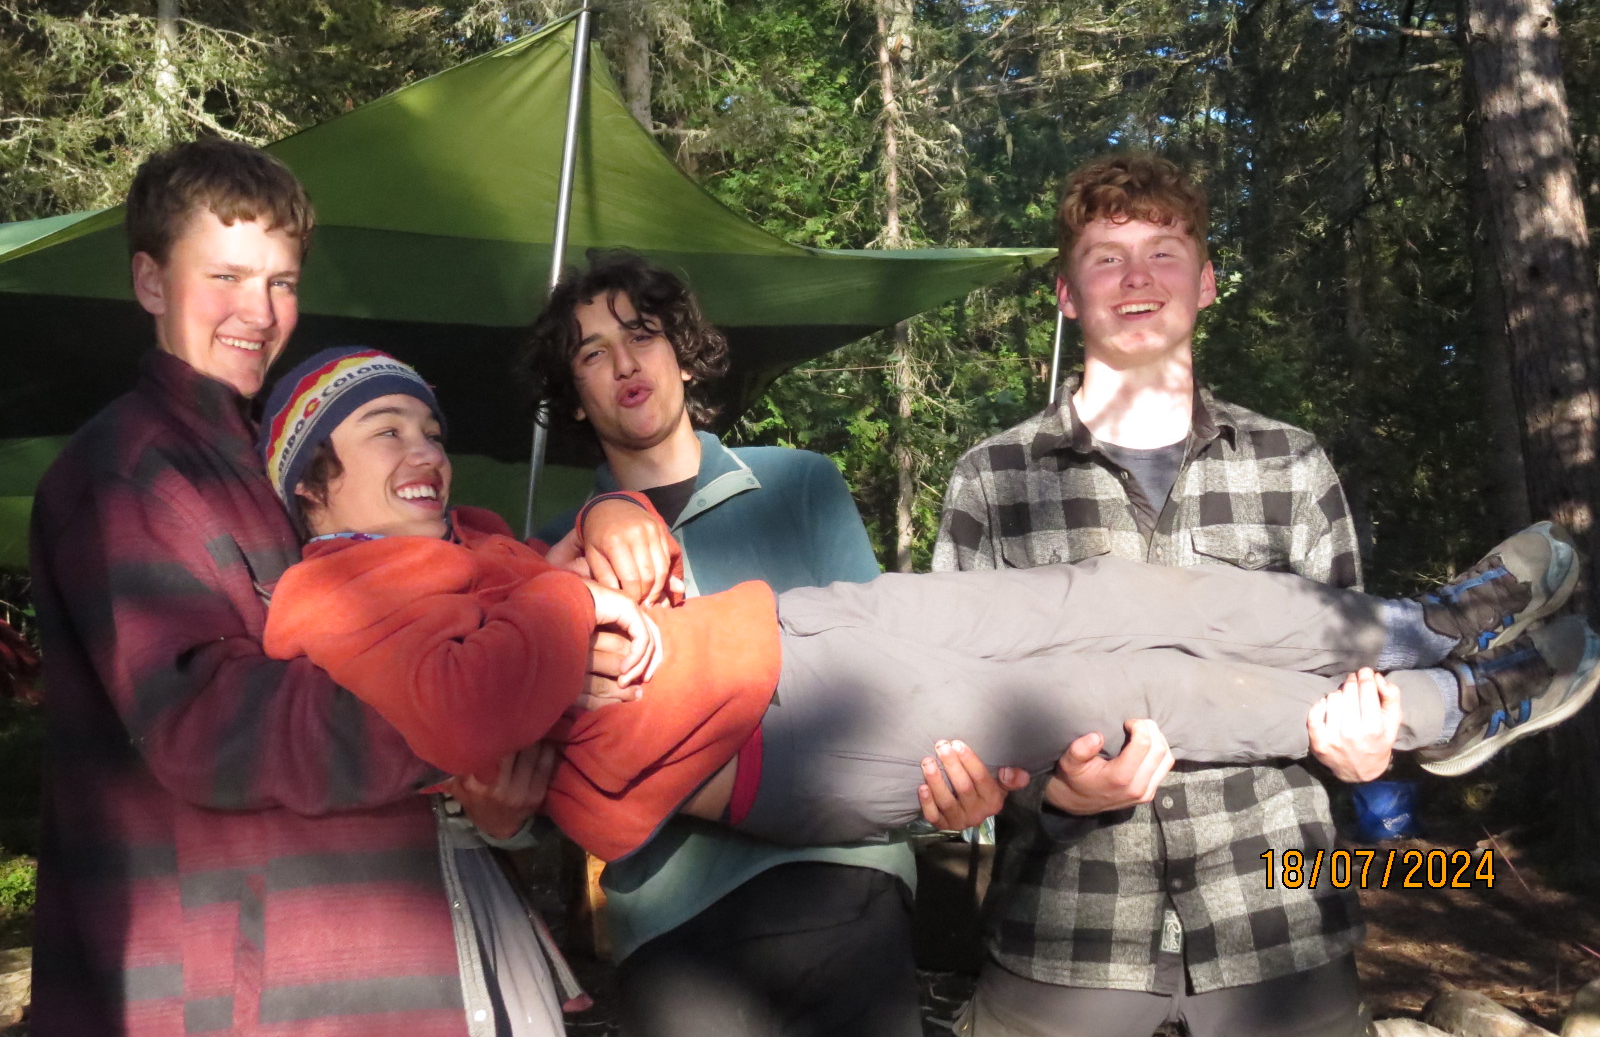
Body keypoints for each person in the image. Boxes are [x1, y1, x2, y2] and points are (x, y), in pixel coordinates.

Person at [256, 347, 1598, 870]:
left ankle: (1427, 623)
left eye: (428, 423)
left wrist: (601, 526)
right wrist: (567, 589)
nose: (426, 450)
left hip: (801, 634)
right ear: (315, 478)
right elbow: (482, 700)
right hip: (778, 738)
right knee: (1144, 688)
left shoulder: (465, 546)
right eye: (388, 432)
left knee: (1138, 593)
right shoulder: (325, 601)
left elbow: (554, 599)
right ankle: (1447, 708)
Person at [23, 139, 643, 1037]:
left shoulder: (286, 468)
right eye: (226, 276)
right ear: (150, 282)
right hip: (229, 987)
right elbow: (209, 722)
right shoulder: (127, 475)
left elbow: (452, 607)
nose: (259, 311)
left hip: (390, 961)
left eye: (281, 282)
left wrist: (492, 789)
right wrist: (481, 702)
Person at [931, 152, 1450, 1036]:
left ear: (1206, 283)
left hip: (1282, 933)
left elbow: (1355, 669)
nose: (1137, 277)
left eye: (1164, 252)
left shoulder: (1292, 464)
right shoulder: (993, 478)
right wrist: (1047, 794)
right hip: (1066, 935)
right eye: (1106, 255)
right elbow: (953, 700)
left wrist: (1369, 752)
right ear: (1067, 293)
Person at [522, 253, 936, 1037]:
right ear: (573, 397)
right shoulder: (547, 561)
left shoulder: (803, 485)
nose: (624, 363)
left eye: (641, 334)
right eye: (591, 352)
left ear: (681, 351)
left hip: (842, 885)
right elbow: (542, 783)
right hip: (674, 931)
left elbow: (885, 676)